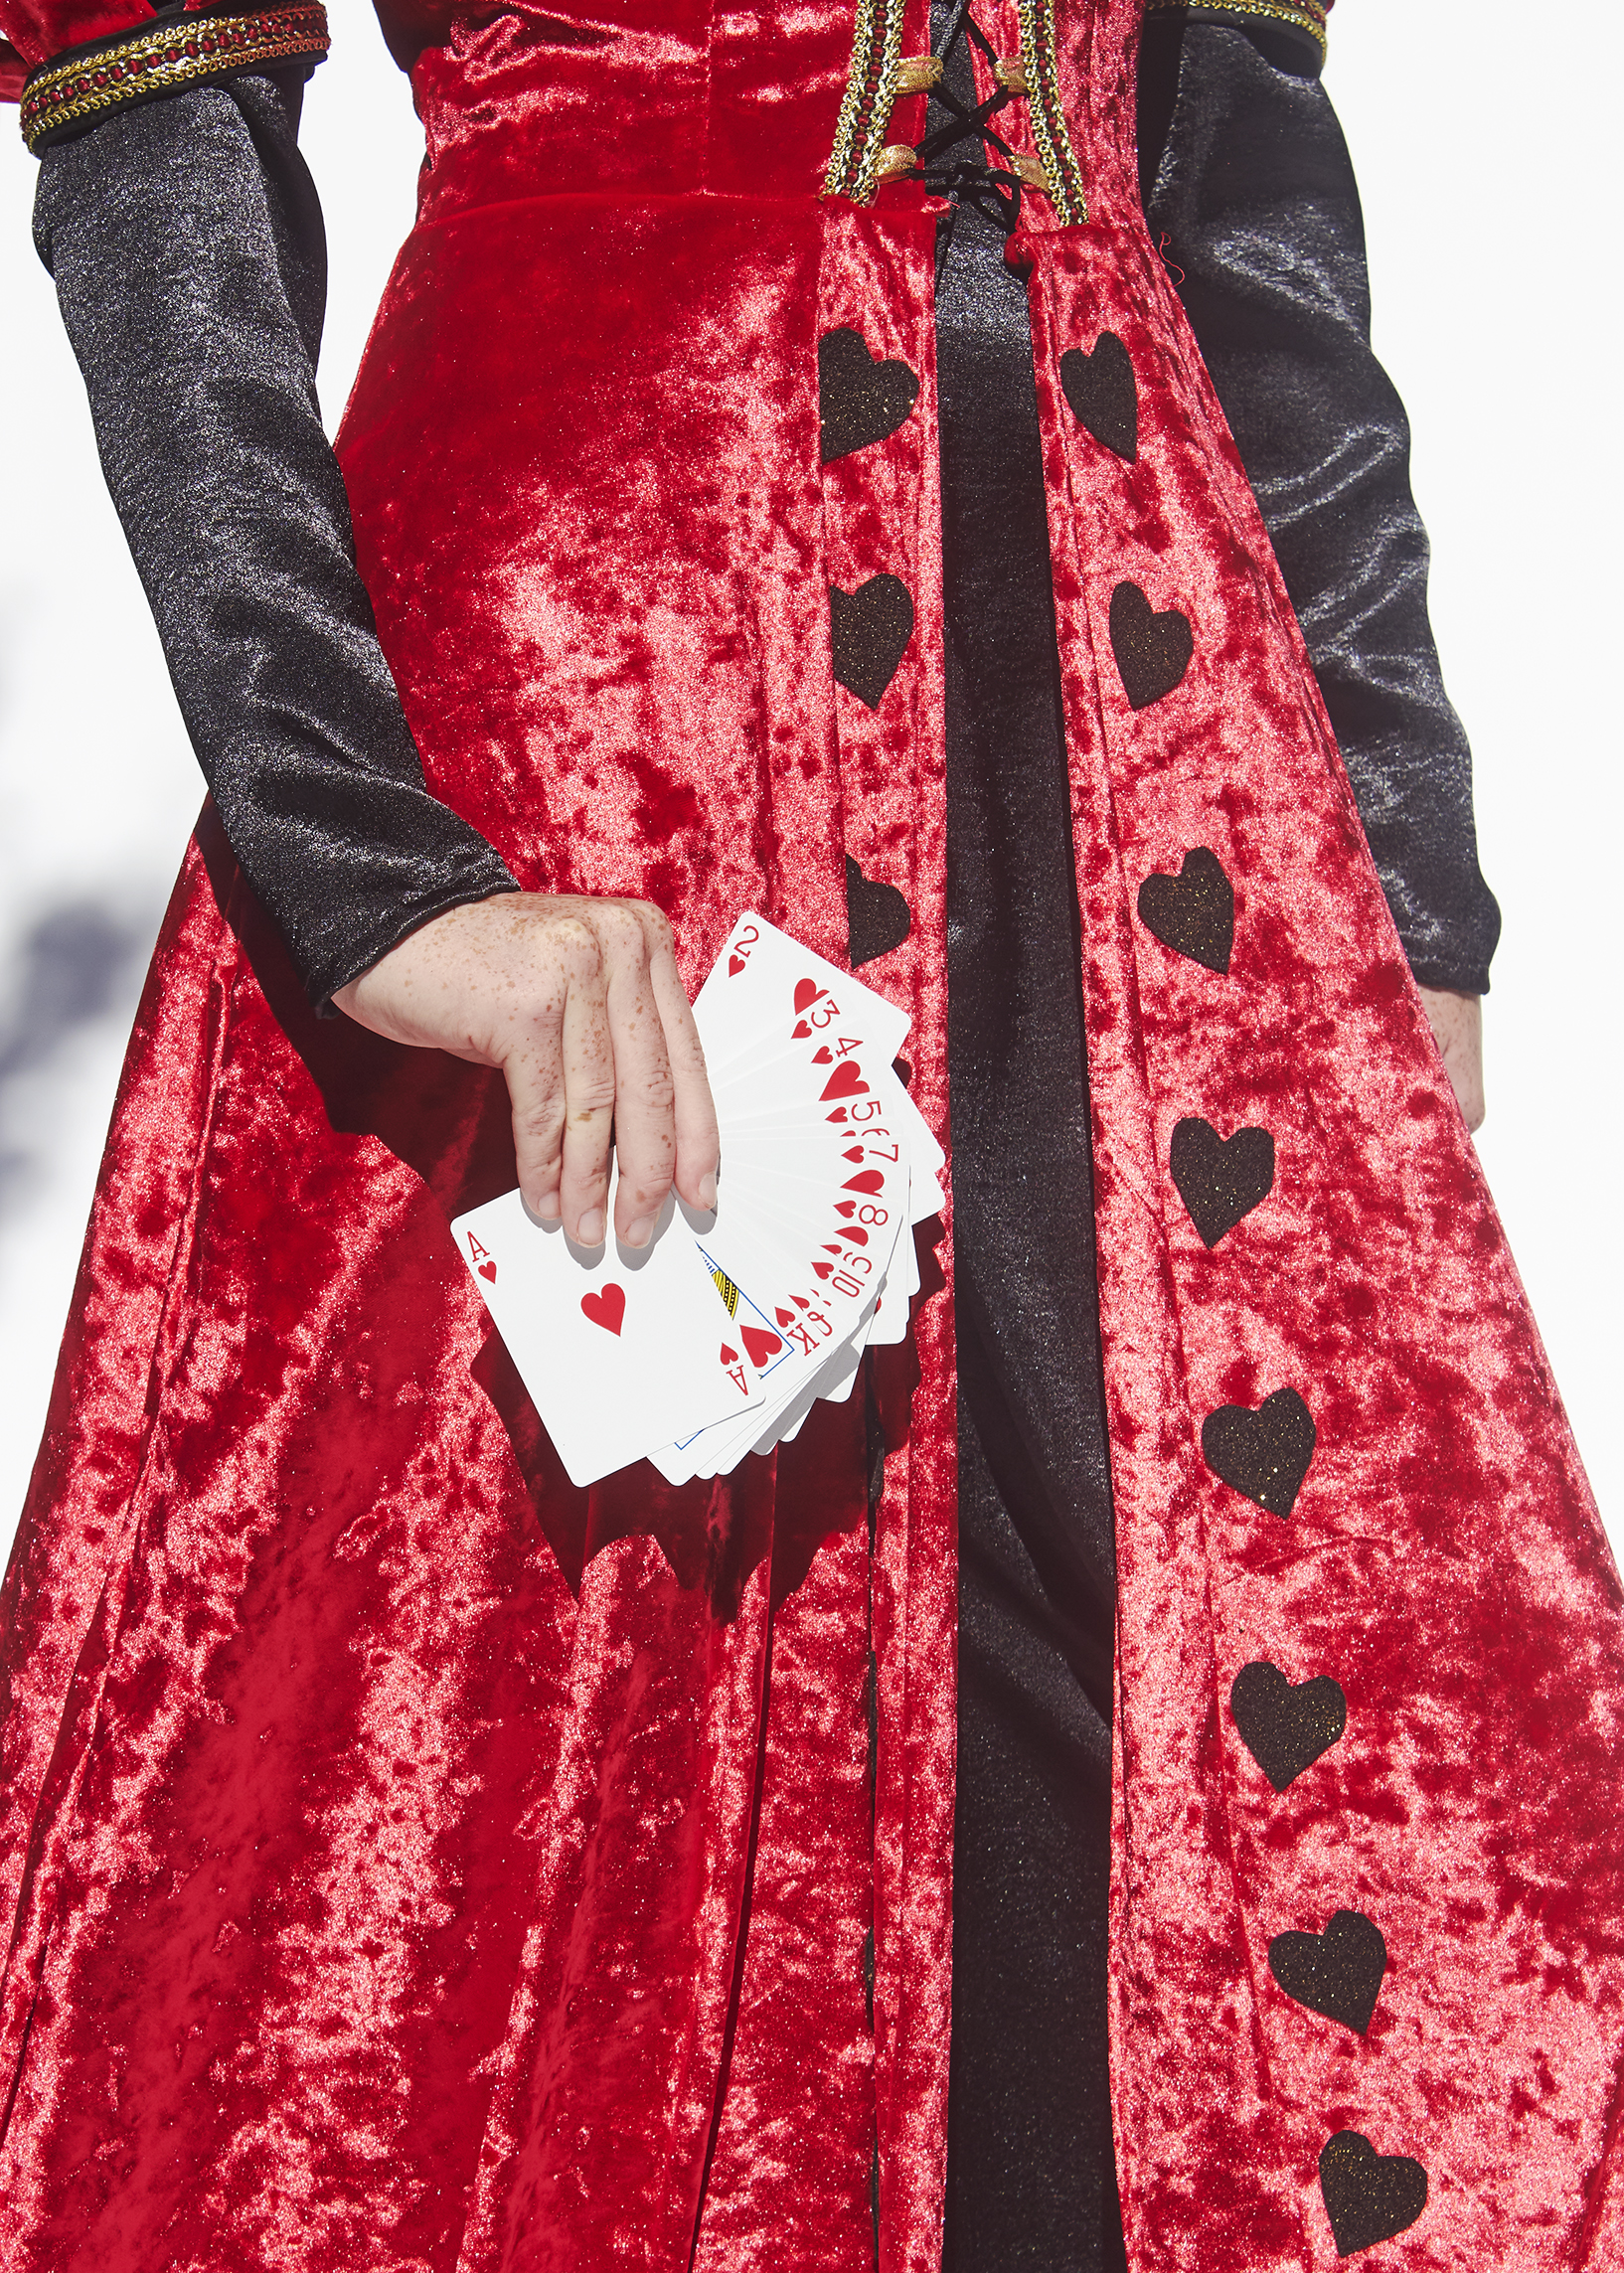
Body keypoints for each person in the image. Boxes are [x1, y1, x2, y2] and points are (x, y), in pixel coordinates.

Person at [0, 0, 1619, 2265]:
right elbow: (158, 116)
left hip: (1151, 753)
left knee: (1176, 1750)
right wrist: (361, 859)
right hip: (582, 723)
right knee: (520, 1829)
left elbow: (1246, 185)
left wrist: (1398, 861)